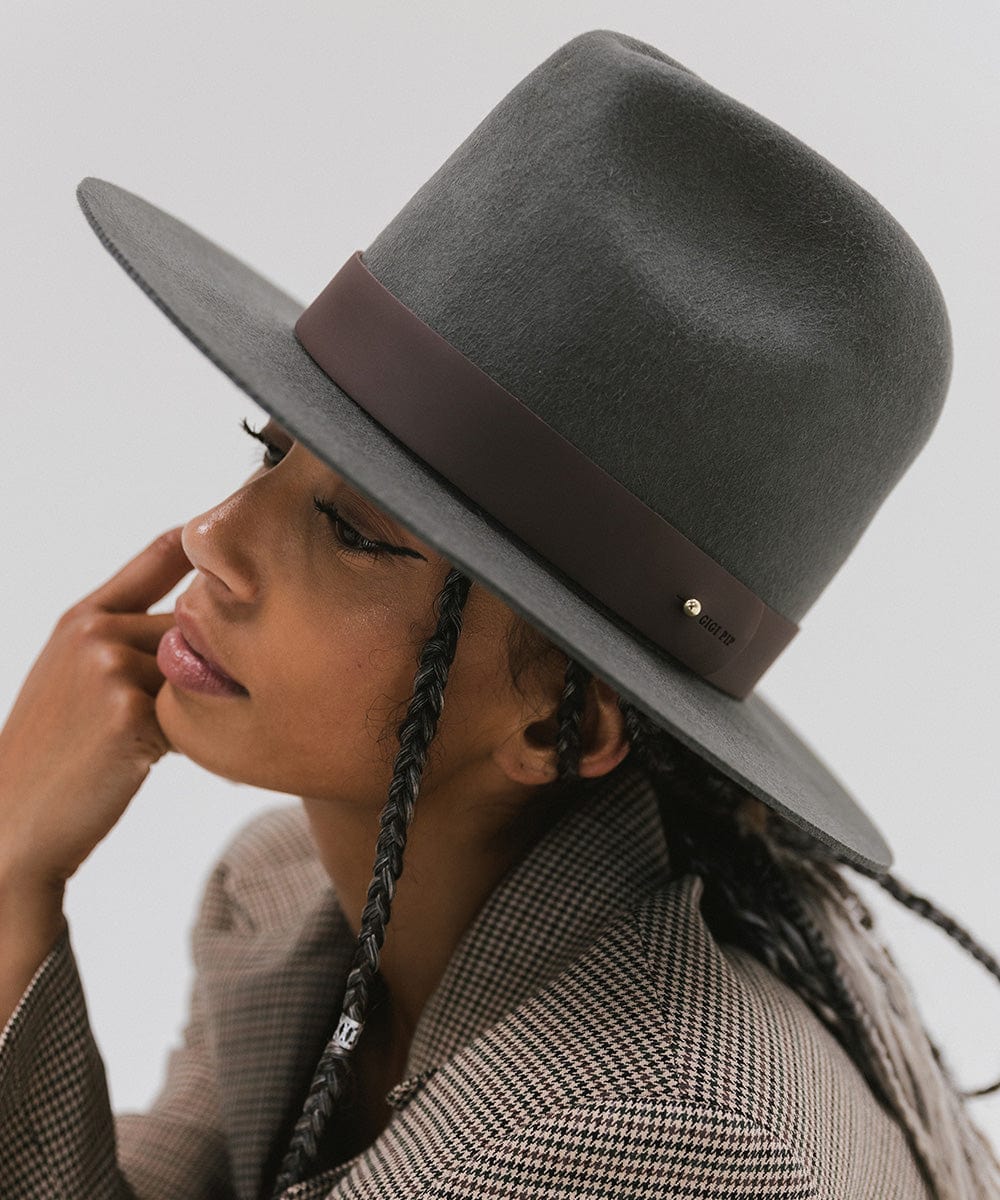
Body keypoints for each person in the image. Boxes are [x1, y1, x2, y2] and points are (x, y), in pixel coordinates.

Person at [2, 26, 999, 1200]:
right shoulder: (286, 900)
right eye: (271, 452)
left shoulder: (659, 1124)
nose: (214, 537)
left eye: (357, 529)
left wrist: (11, 879)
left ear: (558, 729)